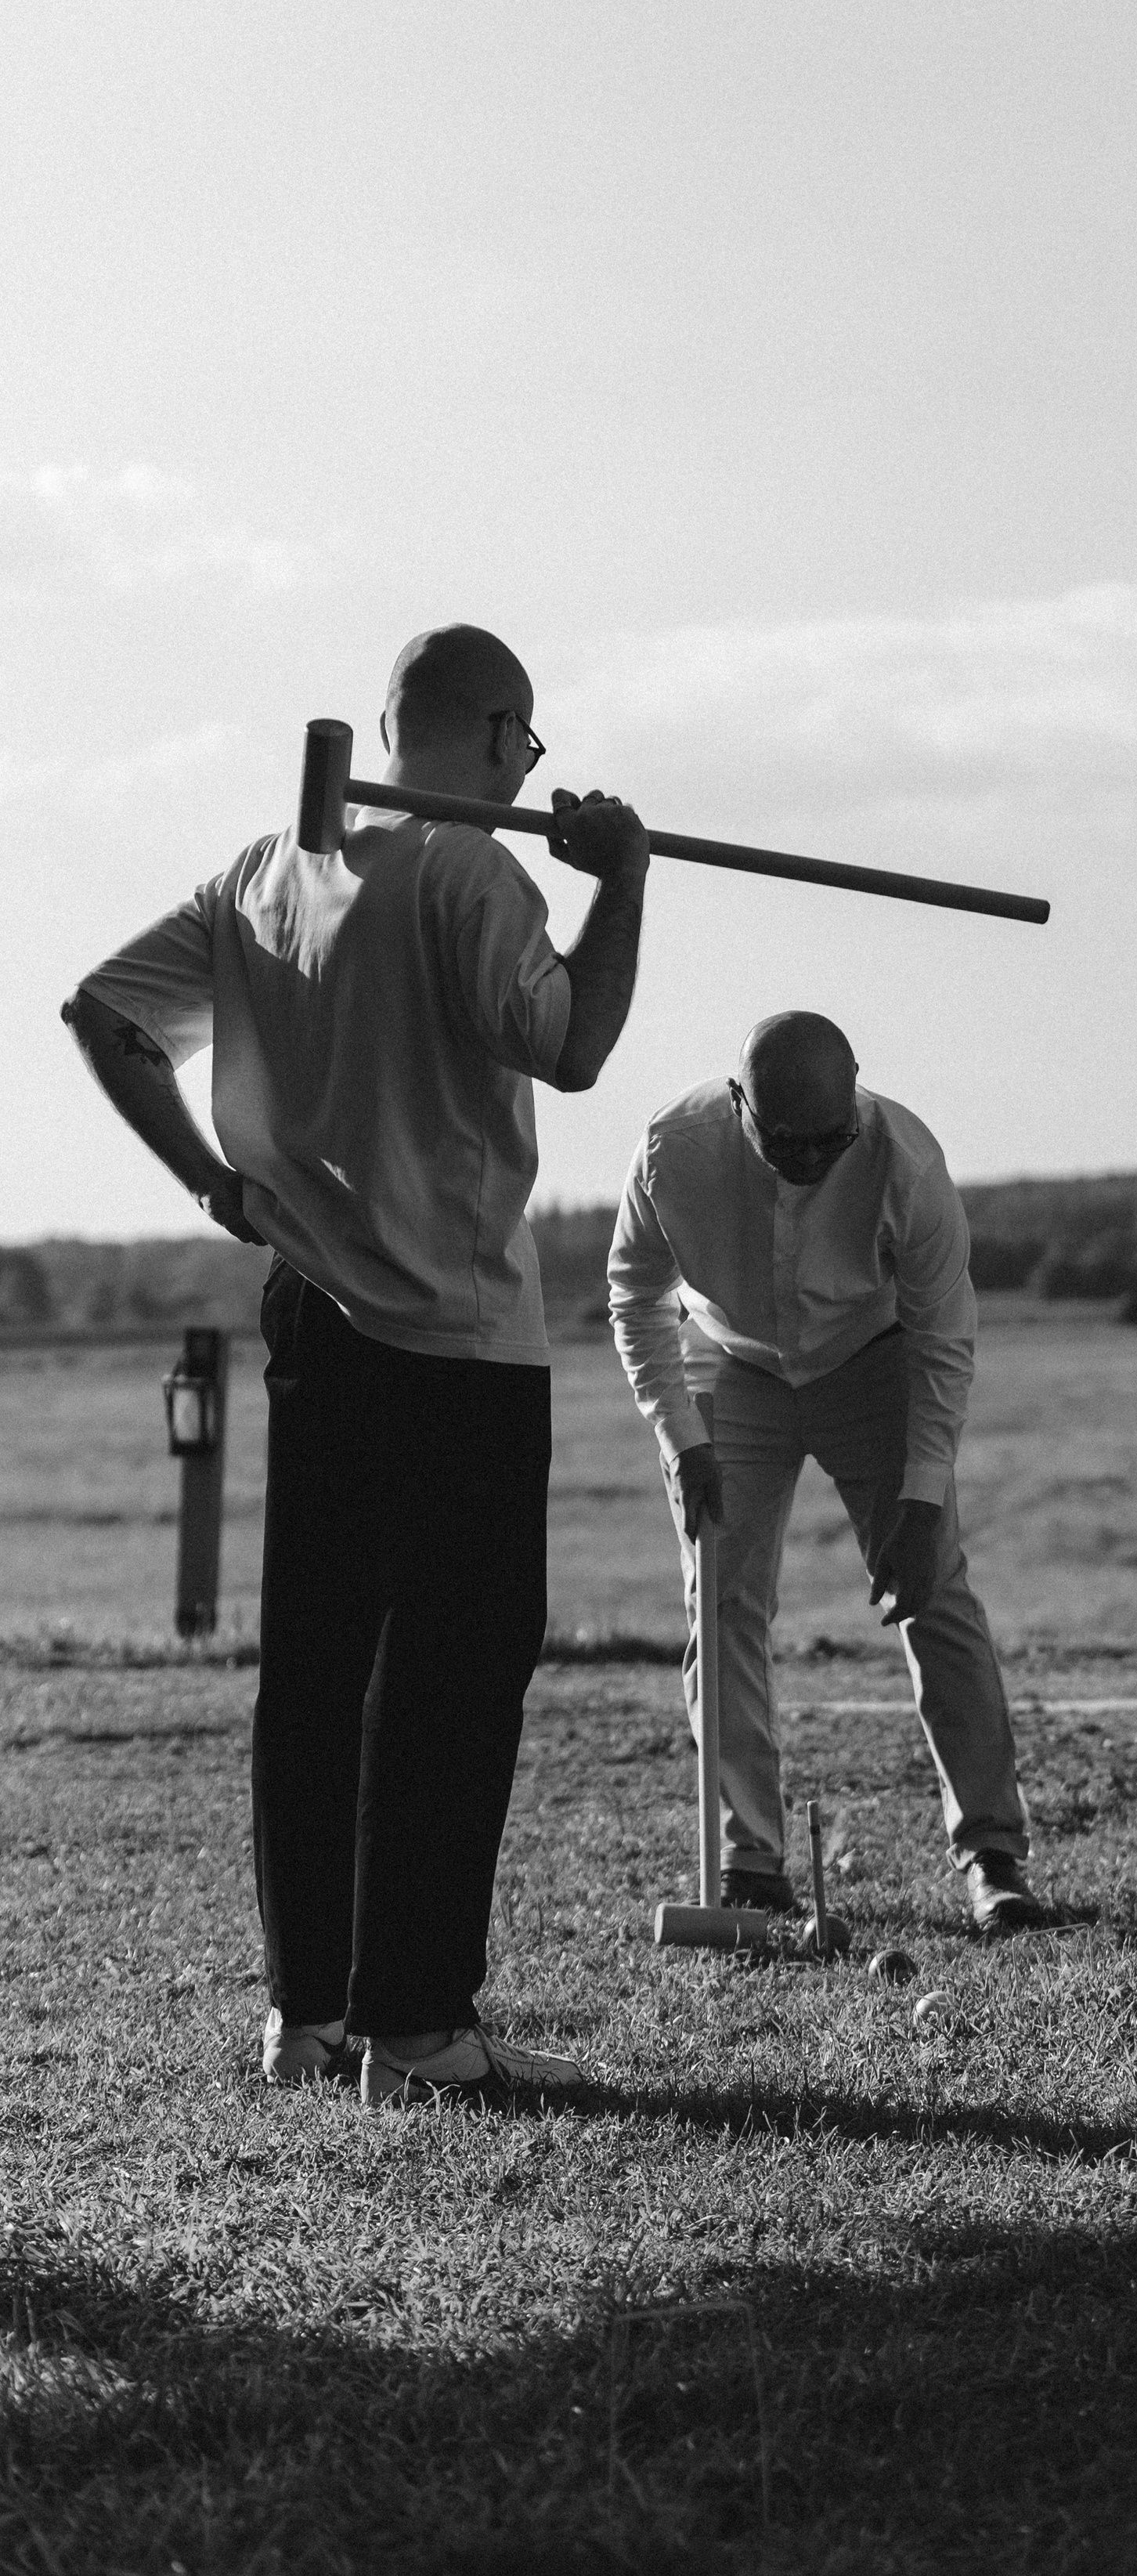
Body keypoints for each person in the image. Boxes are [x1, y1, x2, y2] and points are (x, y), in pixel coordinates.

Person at [65, 626, 651, 2102]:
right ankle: (420, 2028)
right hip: (455, 1333)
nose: (527, 766)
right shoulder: (472, 874)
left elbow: (106, 1016)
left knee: (317, 1672)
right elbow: (574, 1044)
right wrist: (623, 879)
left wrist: (216, 1185)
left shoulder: (270, 871)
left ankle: (308, 2015)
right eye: (526, 743)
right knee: (455, 1676)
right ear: (499, 731)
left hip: (312, 1317)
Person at [608, 1011, 1048, 1934]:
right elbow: (635, 1297)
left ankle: (992, 1857)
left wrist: (921, 1499)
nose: (810, 1159)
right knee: (721, 1598)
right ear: (740, 1104)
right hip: (731, 1366)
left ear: (854, 1098)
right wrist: (682, 1438)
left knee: (935, 1592)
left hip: (871, 1362)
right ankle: (750, 1863)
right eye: (785, 1142)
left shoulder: (907, 1163)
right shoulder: (673, 1149)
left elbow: (943, 1337)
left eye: (830, 1139)